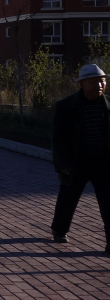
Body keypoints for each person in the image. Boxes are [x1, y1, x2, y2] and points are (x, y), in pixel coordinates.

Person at [51, 63, 110, 253]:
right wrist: (62, 163)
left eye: (102, 82)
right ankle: (60, 230)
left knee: (108, 202)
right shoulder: (66, 106)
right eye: (93, 82)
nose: (99, 86)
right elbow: (58, 138)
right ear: (82, 84)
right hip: (77, 161)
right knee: (68, 198)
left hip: (104, 163)